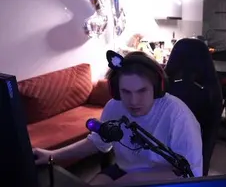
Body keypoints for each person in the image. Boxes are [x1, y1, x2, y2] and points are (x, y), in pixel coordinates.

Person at [33, 51, 203, 184]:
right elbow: (98, 142)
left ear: (157, 88)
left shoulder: (178, 116)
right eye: (126, 92)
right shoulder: (114, 106)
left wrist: (133, 179)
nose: (133, 101)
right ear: (116, 90)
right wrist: (53, 155)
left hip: (166, 179)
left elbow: (191, 173)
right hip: (124, 170)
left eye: (142, 91)